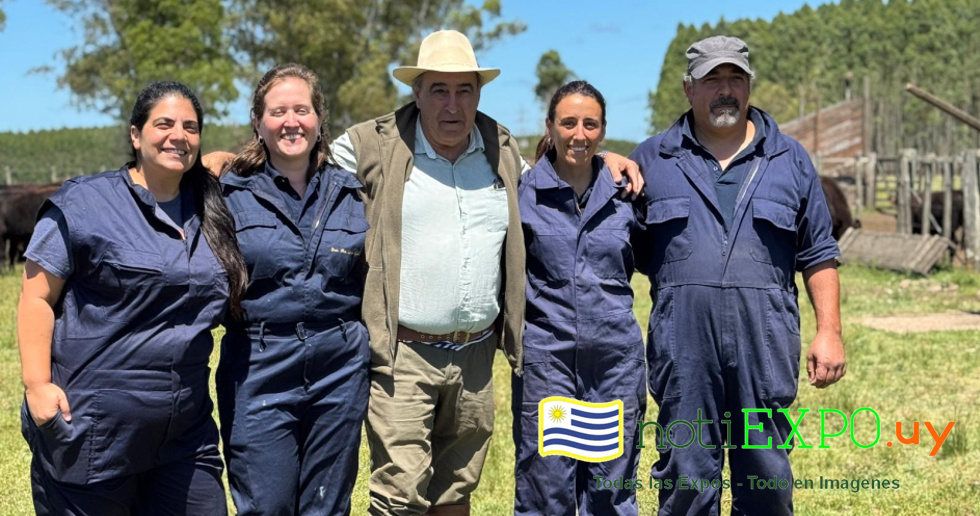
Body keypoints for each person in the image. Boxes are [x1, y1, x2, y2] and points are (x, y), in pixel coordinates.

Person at [329, 30, 642, 516]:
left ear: (478, 93)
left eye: (464, 91)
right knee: (400, 495)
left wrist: (606, 158)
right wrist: (228, 159)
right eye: (439, 90)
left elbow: (565, 161)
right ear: (417, 92)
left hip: (476, 358)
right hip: (403, 353)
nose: (452, 105)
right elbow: (297, 155)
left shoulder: (501, 149)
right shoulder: (374, 143)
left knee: (456, 490)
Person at [630, 36, 846, 515]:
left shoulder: (789, 160)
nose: (725, 90)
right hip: (682, 347)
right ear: (688, 89)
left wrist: (829, 331)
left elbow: (818, 253)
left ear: (749, 86)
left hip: (763, 343)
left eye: (735, 79)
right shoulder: (651, 160)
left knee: (766, 474)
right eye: (712, 80)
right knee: (686, 473)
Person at [17, 81, 246, 515]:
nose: (178, 135)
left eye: (190, 127)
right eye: (164, 123)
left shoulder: (211, 206)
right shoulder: (84, 203)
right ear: (136, 135)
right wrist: (37, 385)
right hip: (93, 428)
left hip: (184, 433)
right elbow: (36, 297)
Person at [216, 63, 369, 515]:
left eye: (301, 110)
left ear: (320, 118)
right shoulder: (226, 193)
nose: (291, 122)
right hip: (260, 361)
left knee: (328, 503)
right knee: (266, 504)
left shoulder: (352, 191)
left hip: (340, 362)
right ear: (257, 122)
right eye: (278, 111)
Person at [512, 80, 647, 515]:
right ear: (550, 126)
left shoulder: (626, 196)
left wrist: (612, 161)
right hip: (549, 363)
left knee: (610, 484)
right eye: (568, 123)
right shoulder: (523, 195)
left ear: (603, 131)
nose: (579, 134)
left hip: (613, 365)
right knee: (547, 486)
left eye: (591, 124)